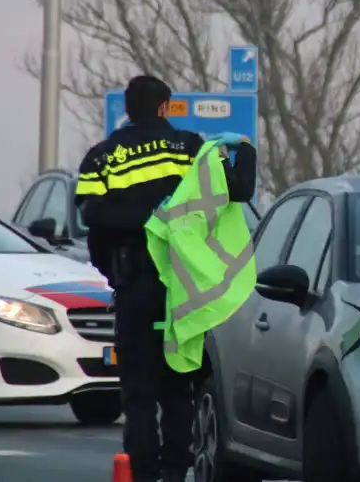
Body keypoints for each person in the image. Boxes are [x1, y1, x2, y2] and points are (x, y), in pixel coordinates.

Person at [75, 75, 257, 482]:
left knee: (139, 395)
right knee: (179, 389)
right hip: (184, 290)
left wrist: (116, 268)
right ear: (164, 107)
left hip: (134, 286)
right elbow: (239, 190)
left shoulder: (103, 156)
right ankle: (176, 472)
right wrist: (243, 148)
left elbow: (93, 218)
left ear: (128, 109)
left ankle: (143, 474)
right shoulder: (192, 149)